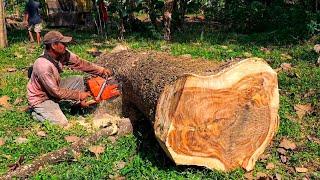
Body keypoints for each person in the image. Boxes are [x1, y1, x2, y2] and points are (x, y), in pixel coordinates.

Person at [27, 30, 113, 126]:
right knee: (62, 123)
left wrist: (101, 70)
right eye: (63, 43)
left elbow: (80, 63)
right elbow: (56, 92)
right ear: (53, 46)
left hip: (53, 87)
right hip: (42, 98)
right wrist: (79, 95)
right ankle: (35, 112)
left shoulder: (62, 54)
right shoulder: (43, 66)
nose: (66, 46)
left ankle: (76, 107)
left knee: (78, 80)